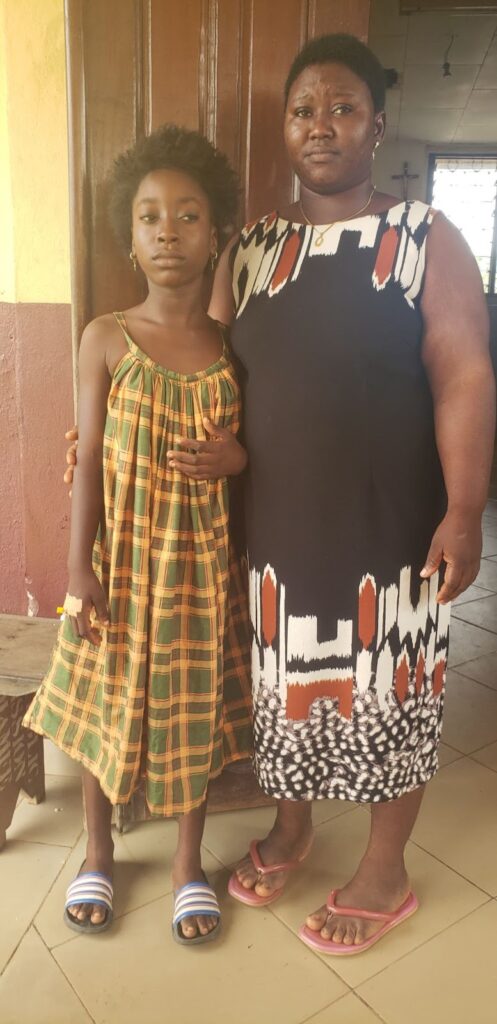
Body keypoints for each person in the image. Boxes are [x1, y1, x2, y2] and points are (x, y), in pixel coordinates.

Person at [63, 33, 496, 956]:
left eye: (342, 108)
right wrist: (109, 433)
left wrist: (463, 509)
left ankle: (383, 872)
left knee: (395, 694)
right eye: (303, 111)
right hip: (275, 536)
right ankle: (292, 827)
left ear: (377, 125)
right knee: (283, 695)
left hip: (392, 530)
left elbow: (462, 374)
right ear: (285, 133)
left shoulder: (425, 236)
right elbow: (205, 370)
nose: (321, 126)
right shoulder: (253, 246)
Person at [24, 124, 252, 945]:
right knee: (102, 710)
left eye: (188, 215)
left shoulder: (234, 351)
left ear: (216, 233)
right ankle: (97, 852)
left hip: (199, 575)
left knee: (189, 717)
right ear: (131, 237)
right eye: (151, 216)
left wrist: (237, 458)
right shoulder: (105, 339)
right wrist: (77, 568)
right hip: (117, 567)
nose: (168, 231)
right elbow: (84, 461)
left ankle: (189, 864)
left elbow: (262, 457)